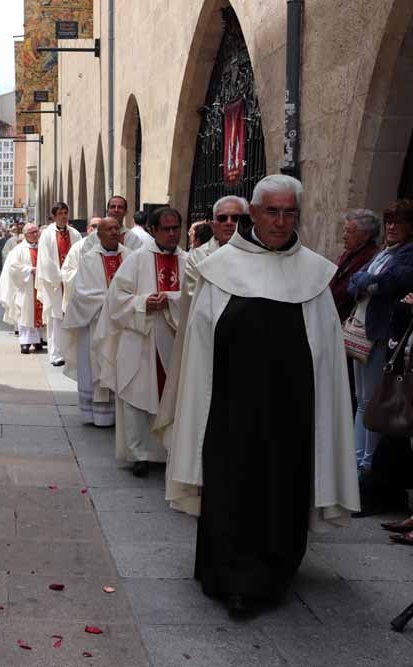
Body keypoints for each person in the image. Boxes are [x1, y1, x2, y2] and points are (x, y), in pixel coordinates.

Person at [166, 174, 360, 615]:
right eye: (271, 211)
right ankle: (230, 577)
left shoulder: (312, 272)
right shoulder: (218, 269)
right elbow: (199, 343)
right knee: (231, 490)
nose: (280, 220)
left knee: (281, 493)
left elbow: (327, 351)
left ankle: (274, 573)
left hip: (292, 413)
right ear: (253, 214)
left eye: (289, 212)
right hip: (229, 411)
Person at [95, 207, 185, 477]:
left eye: (176, 228)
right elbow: (116, 298)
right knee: (137, 396)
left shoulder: (189, 261)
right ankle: (140, 454)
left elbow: (197, 299)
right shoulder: (136, 260)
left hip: (174, 340)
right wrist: (143, 302)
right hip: (141, 338)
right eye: (166, 229)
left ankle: (170, 451)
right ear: (153, 230)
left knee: (173, 397)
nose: (172, 234)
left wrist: (171, 301)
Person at [155, 196, 246, 449]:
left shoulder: (258, 254)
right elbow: (195, 298)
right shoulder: (198, 257)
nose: (229, 223)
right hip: (209, 341)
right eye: (223, 218)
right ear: (213, 223)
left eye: (236, 218)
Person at [347, 200, 413, 475]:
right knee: (362, 399)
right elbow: (354, 282)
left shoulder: (407, 254)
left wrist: (369, 282)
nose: (392, 227)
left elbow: (392, 282)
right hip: (362, 331)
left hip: (383, 334)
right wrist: (368, 282)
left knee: (373, 402)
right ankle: (355, 459)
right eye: (389, 222)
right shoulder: (383, 253)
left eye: (398, 222)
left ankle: (366, 464)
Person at [61, 217, 131, 427]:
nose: (114, 232)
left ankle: (120, 414)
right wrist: (112, 300)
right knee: (95, 365)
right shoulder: (89, 259)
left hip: (123, 323)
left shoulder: (130, 257)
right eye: (109, 229)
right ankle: (96, 415)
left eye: (116, 228)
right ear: (98, 234)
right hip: (95, 323)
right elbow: (81, 293)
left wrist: (123, 302)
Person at [36, 202, 82, 366]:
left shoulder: (75, 234)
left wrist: (72, 276)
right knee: (56, 319)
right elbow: (45, 260)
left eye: (66, 212)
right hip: (54, 284)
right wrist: (61, 277)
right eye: (61, 213)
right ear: (54, 216)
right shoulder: (47, 235)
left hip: (71, 282)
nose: (64, 216)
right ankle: (55, 354)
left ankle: (70, 352)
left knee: (70, 317)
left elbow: (80, 255)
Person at [331, 210, 381, 325]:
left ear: (365, 235)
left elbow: (348, 291)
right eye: (345, 230)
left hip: (346, 320)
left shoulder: (372, 257)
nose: (344, 236)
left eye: (349, 231)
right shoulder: (349, 252)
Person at [4, 223, 46, 354]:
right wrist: (29, 270)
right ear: (26, 234)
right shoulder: (19, 249)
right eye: (32, 232)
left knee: (41, 311)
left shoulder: (42, 248)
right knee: (25, 314)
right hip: (26, 286)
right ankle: (25, 342)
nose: (35, 235)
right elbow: (13, 267)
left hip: (40, 285)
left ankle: (38, 339)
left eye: (36, 232)